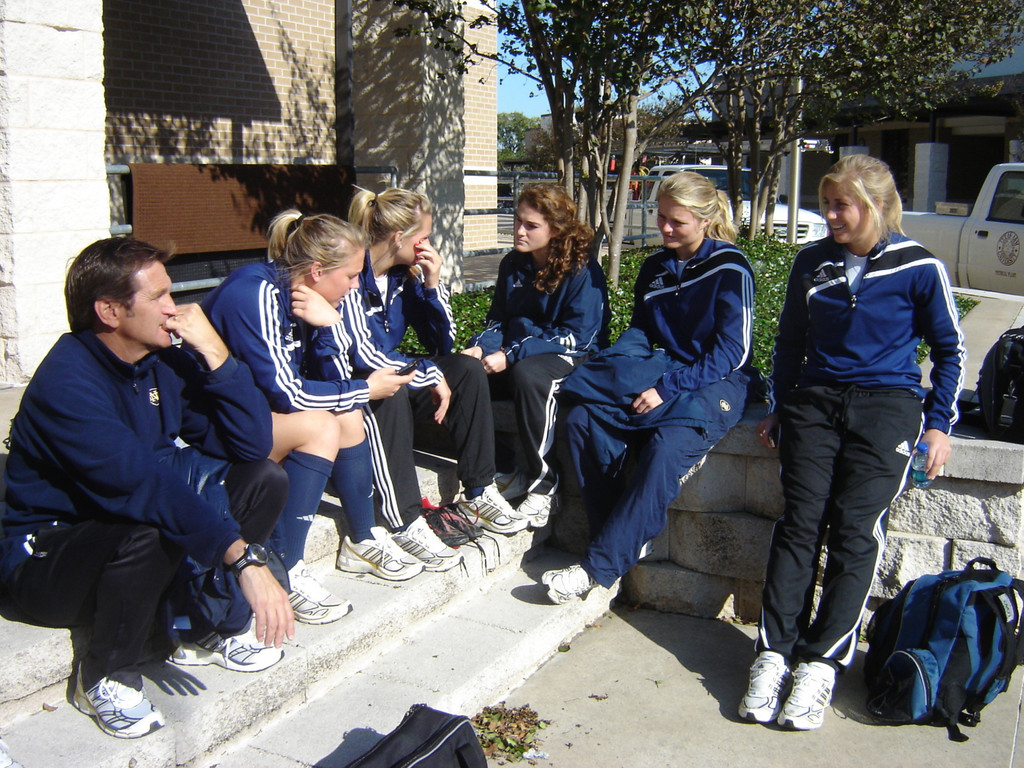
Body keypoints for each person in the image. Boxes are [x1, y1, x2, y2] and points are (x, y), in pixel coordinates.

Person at [0, 237, 294, 739]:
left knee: (262, 479)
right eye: (158, 295)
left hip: (123, 530)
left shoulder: (157, 363)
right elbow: (140, 483)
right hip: (46, 558)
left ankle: (202, 627)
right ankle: (106, 674)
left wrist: (217, 355)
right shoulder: (68, 381)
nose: (174, 307)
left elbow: (250, 444)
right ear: (110, 311)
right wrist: (242, 558)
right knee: (150, 524)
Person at [738, 155, 966, 731]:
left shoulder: (920, 267)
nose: (830, 215)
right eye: (827, 203)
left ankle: (819, 664)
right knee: (800, 523)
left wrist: (939, 423)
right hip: (814, 404)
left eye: (842, 205)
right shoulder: (811, 263)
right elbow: (790, 341)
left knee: (856, 531)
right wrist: (780, 407)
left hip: (887, 409)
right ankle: (774, 654)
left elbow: (951, 351)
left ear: (876, 207)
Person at [548, 171, 756, 604]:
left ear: (703, 220)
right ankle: (621, 538)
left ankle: (597, 567)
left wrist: (668, 386)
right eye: (660, 217)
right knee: (582, 419)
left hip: (714, 382)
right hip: (660, 373)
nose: (663, 228)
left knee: (664, 448)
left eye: (675, 222)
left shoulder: (731, 268)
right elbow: (642, 330)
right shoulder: (654, 267)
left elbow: (732, 352)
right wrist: (620, 363)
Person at [204, 210, 433, 586]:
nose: (356, 286)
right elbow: (287, 391)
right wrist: (366, 388)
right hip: (214, 423)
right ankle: (286, 567)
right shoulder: (256, 291)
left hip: (259, 412)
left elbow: (333, 377)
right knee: (324, 423)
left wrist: (330, 326)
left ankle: (361, 537)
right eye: (349, 276)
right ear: (316, 270)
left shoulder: (313, 298)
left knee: (348, 412)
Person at [346, 187, 521, 540]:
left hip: (393, 375)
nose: (428, 245)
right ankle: (405, 521)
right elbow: (362, 355)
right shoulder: (349, 274)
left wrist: (432, 284)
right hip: (357, 387)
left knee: (468, 370)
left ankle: (478, 490)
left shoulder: (400, 277)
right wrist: (428, 373)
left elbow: (443, 343)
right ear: (399, 238)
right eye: (423, 237)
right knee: (392, 388)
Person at [462, 183, 608, 526]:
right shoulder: (513, 263)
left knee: (529, 376)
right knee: (467, 373)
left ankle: (544, 487)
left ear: (555, 230)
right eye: (517, 220)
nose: (518, 230)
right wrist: (481, 347)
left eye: (531, 225)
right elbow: (498, 319)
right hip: (520, 352)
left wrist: (511, 354)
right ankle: (508, 467)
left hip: (573, 354)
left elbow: (579, 337)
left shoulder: (582, 270)